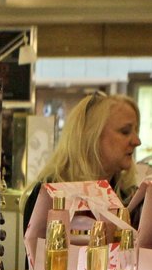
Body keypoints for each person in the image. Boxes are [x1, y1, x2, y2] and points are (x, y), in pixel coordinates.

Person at [22, 91, 142, 251]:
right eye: (125, 131)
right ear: (91, 136)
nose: (137, 141)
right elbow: (35, 262)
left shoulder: (130, 200)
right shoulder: (49, 196)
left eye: (136, 131)